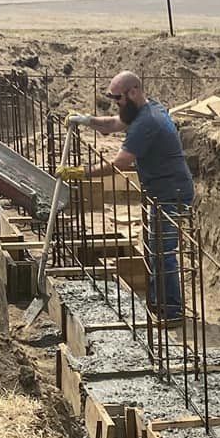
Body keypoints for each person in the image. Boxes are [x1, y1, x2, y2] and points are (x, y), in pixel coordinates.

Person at [70, 71, 194, 320]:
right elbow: (114, 124)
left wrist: (82, 173)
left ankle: (171, 311)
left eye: (119, 99)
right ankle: (159, 304)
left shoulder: (147, 122)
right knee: (155, 251)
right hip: (164, 191)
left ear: (134, 92)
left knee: (163, 253)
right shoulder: (147, 110)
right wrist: (84, 120)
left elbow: (120, 164)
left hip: (172, 194)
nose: (117, 104)